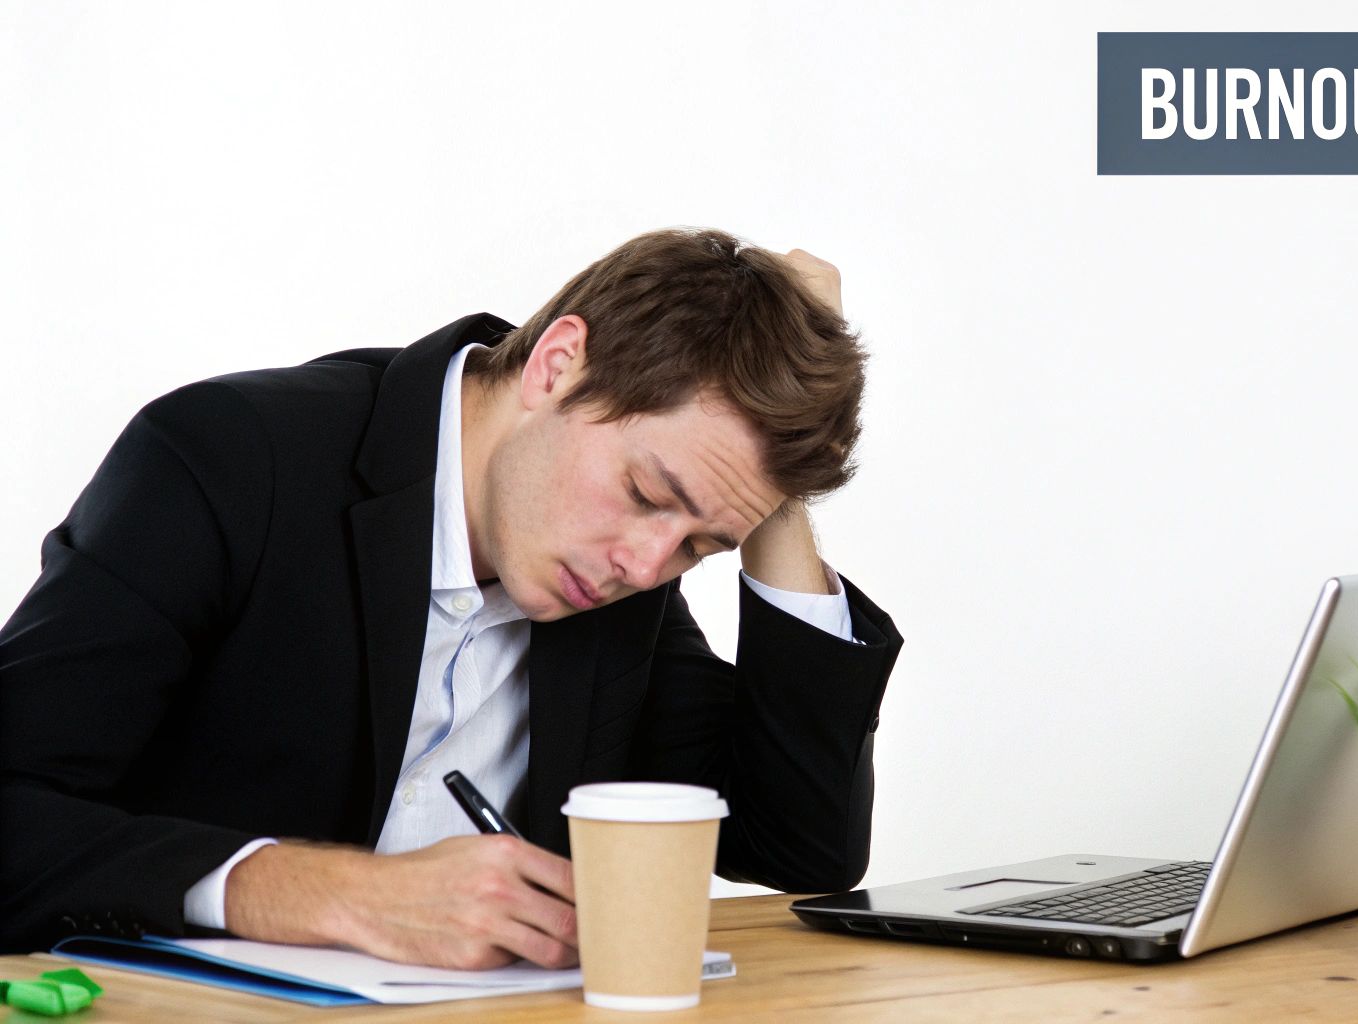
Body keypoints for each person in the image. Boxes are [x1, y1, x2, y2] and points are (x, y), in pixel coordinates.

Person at [0, 228, 904, 969]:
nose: (646, 562)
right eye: (647, 492)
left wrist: (782, 473)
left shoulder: (619, 579)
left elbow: (798, 848)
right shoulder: (228, 461)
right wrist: (325, 893)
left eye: (700, 545)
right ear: (558, 365)